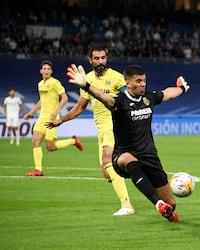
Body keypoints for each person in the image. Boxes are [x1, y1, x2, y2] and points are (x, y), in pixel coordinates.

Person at [65, 63, 190, 222]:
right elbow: (104, 97)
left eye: (144, 80)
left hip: (150, 157)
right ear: (128, 83)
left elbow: (167, 93)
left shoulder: (148, 98)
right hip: (122, 157)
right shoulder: (119, 102)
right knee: (128, 158)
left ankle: (166, 209)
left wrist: (181, 89)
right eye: (138, 81)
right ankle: (158, 204)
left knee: (171, 203)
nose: (142, 84)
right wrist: (86, 85)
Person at [46, 44, 134, 216]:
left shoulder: (116, 77)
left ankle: (127, 205)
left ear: (106, 58)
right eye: (96, 58)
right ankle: (139, 171)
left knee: (107, 158)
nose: (100, 61)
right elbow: (79, 107)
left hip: (114, 126)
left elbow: (128, 98)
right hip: (101, 129)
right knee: (107, 172)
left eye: (103, 58)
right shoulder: (86, 79)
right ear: (90, 60)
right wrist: (61, 121)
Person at [24, 60, 84, 177]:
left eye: (48, 69)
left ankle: (73, 141)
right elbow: (42, 101)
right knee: (35, 141)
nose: (46, 71)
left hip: (52, 118)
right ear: (41, 71)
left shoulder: (55, 82)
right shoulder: (40, 84)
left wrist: (56, 111)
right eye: (44, 69)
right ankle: (38, 170)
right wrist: (31, 113)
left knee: (50, 147)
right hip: (42, 118)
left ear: (51, 71)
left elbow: (65, 98)